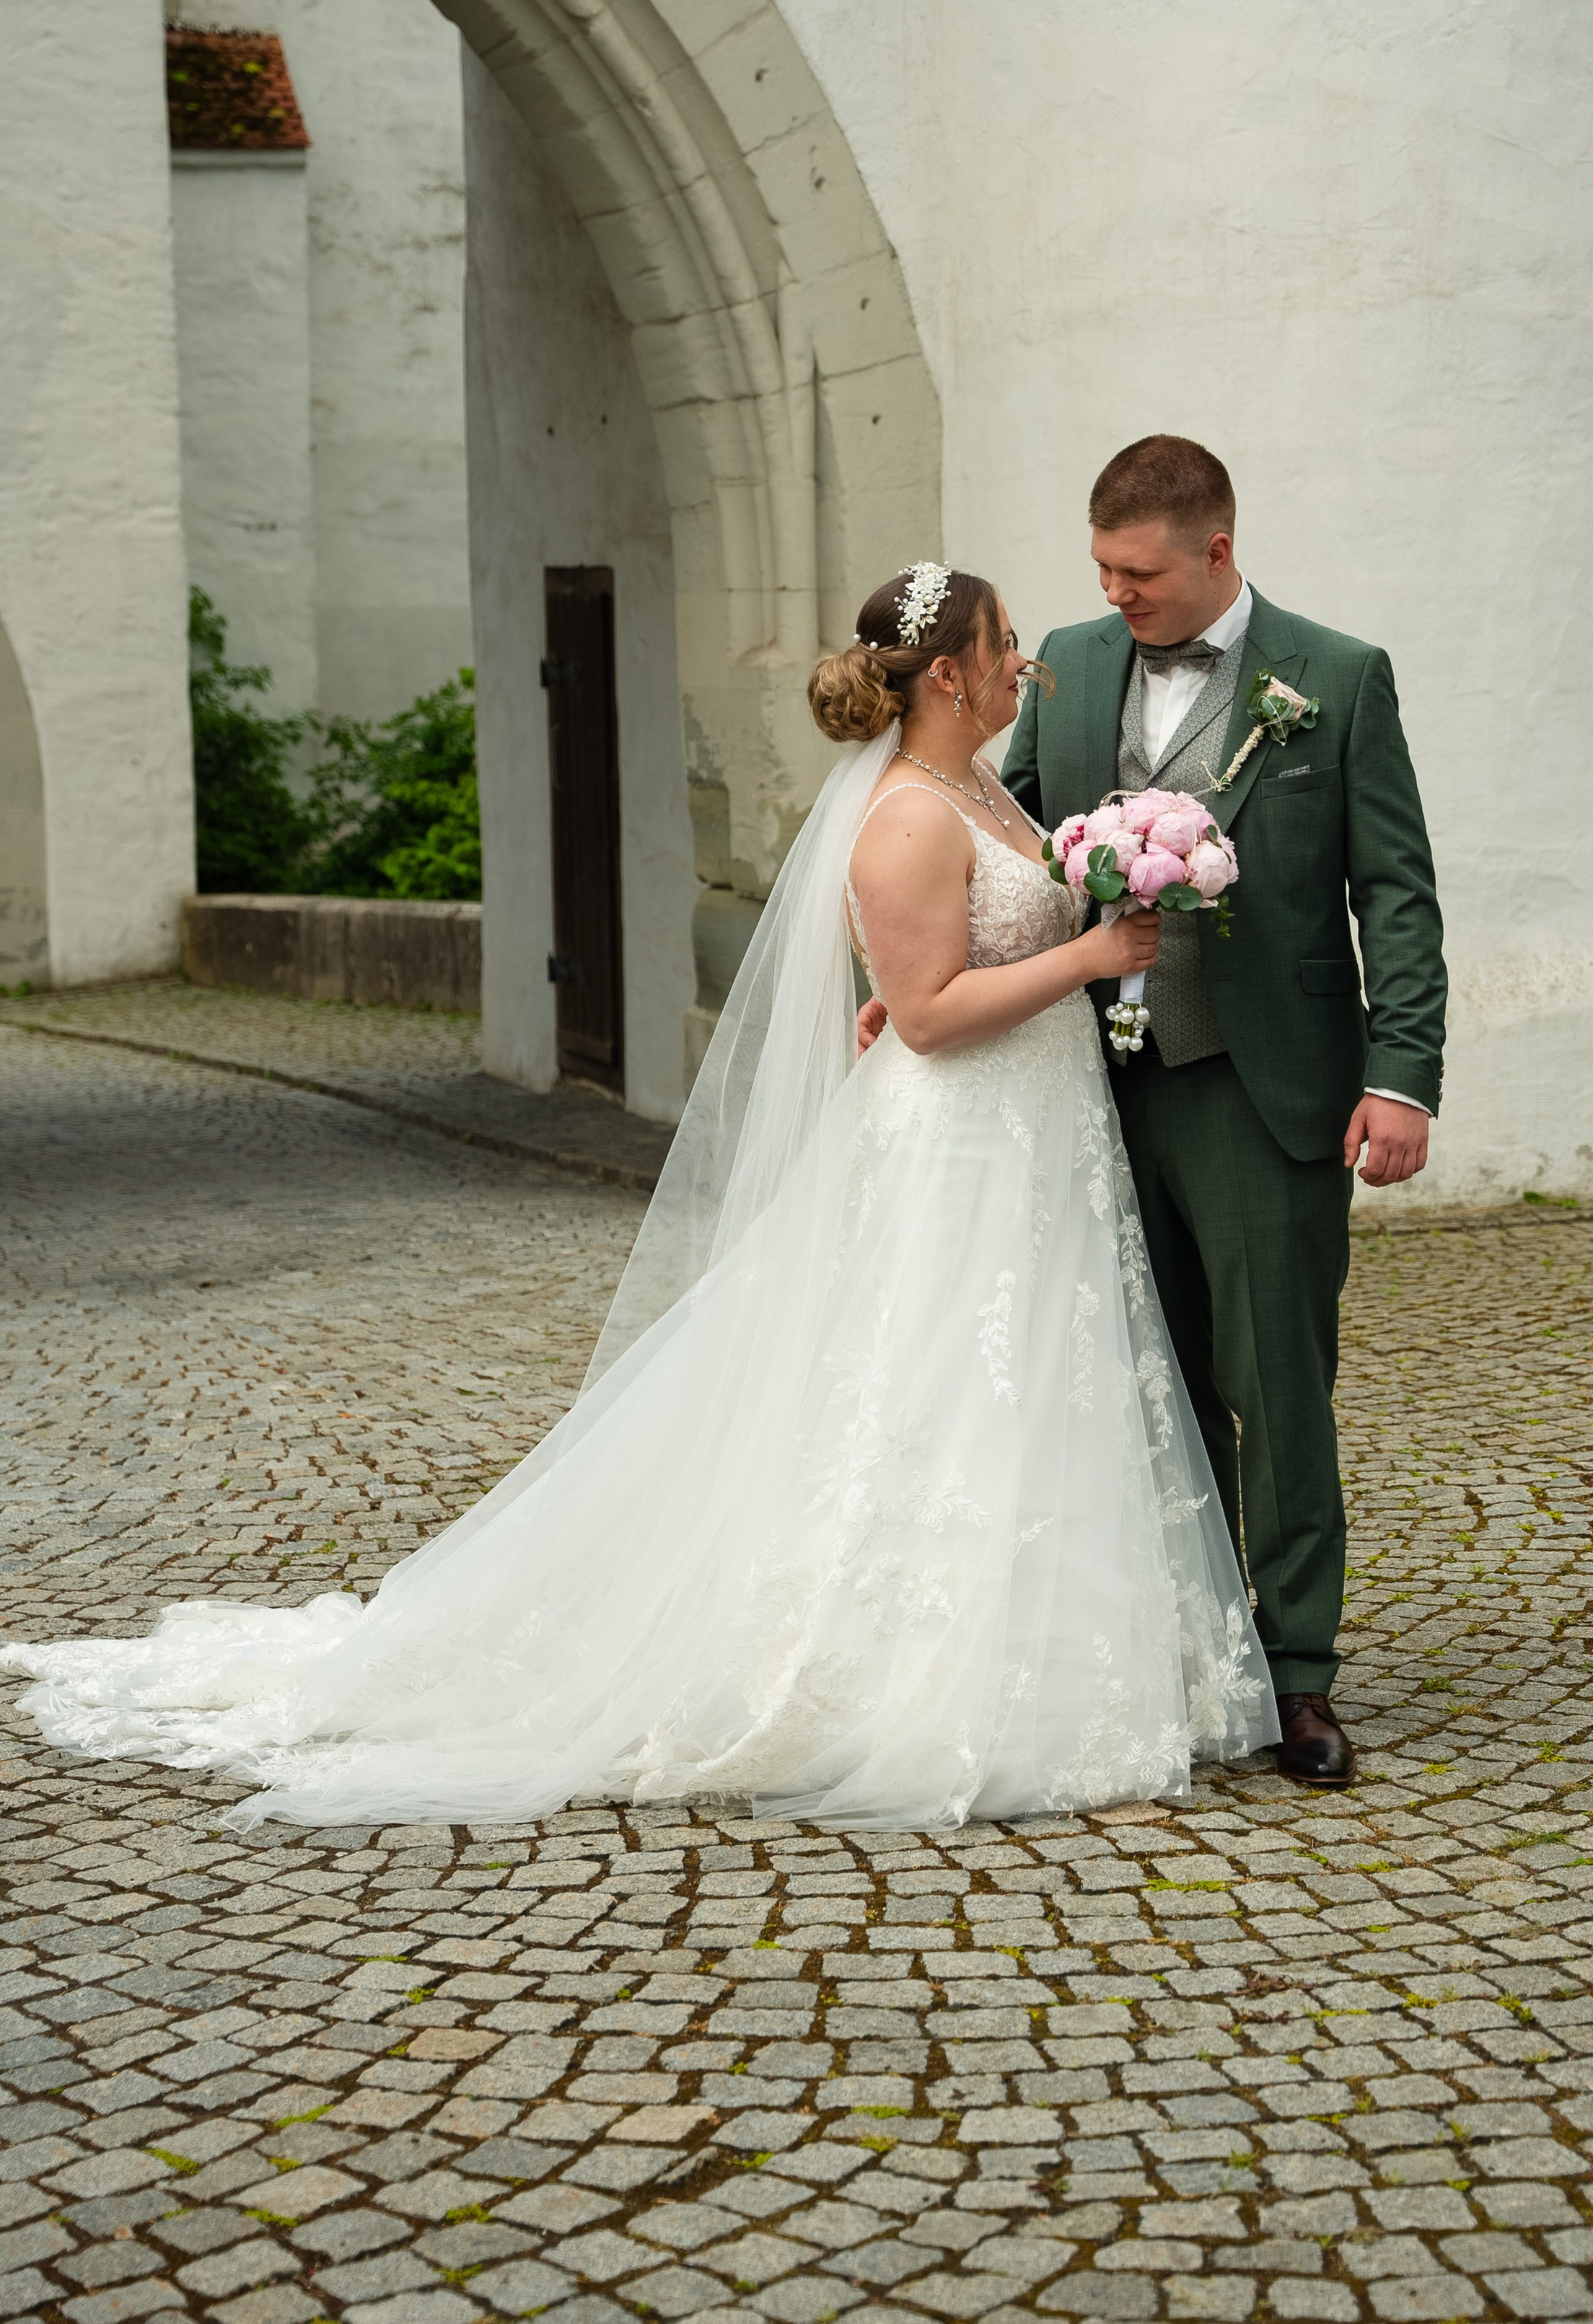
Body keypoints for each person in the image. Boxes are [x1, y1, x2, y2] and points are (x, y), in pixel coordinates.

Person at [0, 563, 1277, 1828]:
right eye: (1005, 644)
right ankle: (917, 1673)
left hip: (1034, 1132)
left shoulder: (979, 784)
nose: (1024, 663)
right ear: (945, 673)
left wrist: (1044, 931)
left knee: (1033, 1383)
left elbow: (926, 978)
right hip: (962, 1147)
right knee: (937, 1387)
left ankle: (1065, 1645)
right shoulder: (904, 814)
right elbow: (934, 1020)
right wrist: (1092, 954)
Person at [872, 441, 1447, 1785]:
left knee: (1275, 1385)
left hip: (1269, 1087)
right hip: (1089, 1086)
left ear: (1217, 555)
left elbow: (1397, 893)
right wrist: (900, 981)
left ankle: (1299, 1672)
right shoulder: (1067, 661)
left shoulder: (1338, 678)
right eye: (1102, 570)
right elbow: (982, 826)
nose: (1115, 595)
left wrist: (1401, 1071)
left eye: (1140, 573)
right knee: (1145, 1383)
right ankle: (1187, 1654)